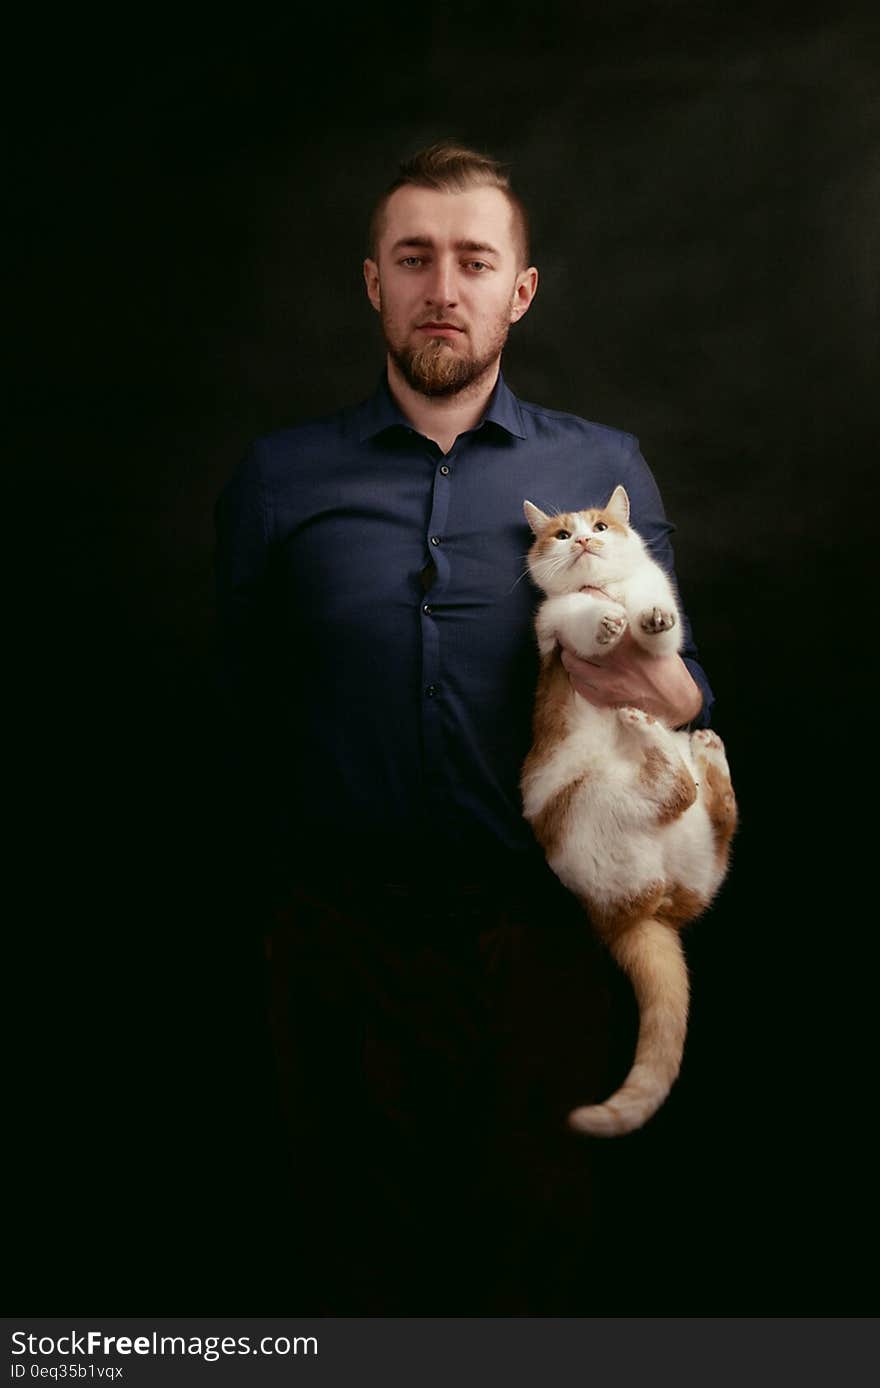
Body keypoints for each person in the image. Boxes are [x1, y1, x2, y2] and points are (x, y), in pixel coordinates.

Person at [213, 142, 713, 1314]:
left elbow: (691, 697)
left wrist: (663, 679)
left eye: (473, 261)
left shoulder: (599, 466)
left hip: (540, 948)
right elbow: (243, 708)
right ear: (374, 283)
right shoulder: (281, 477)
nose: (444, 286)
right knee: (348, 1270)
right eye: (414, 258)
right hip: (336, 949)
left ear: (517, 290)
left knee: (534, 1270)